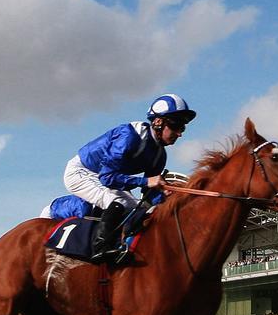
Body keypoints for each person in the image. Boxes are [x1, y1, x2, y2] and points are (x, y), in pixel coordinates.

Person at [52, 93, 195, 263]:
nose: (179, 133)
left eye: (183, 128)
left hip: (105, 177)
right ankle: (101, 249)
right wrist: (146, 181)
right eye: (176, 126)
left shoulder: (159, 155)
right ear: (158, 121)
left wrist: (165, 196)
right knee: (118, 202)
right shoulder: (129, 137)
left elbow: (149, 194)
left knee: (140, 210)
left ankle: (126, 245)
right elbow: (107, 177)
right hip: (82, 172)